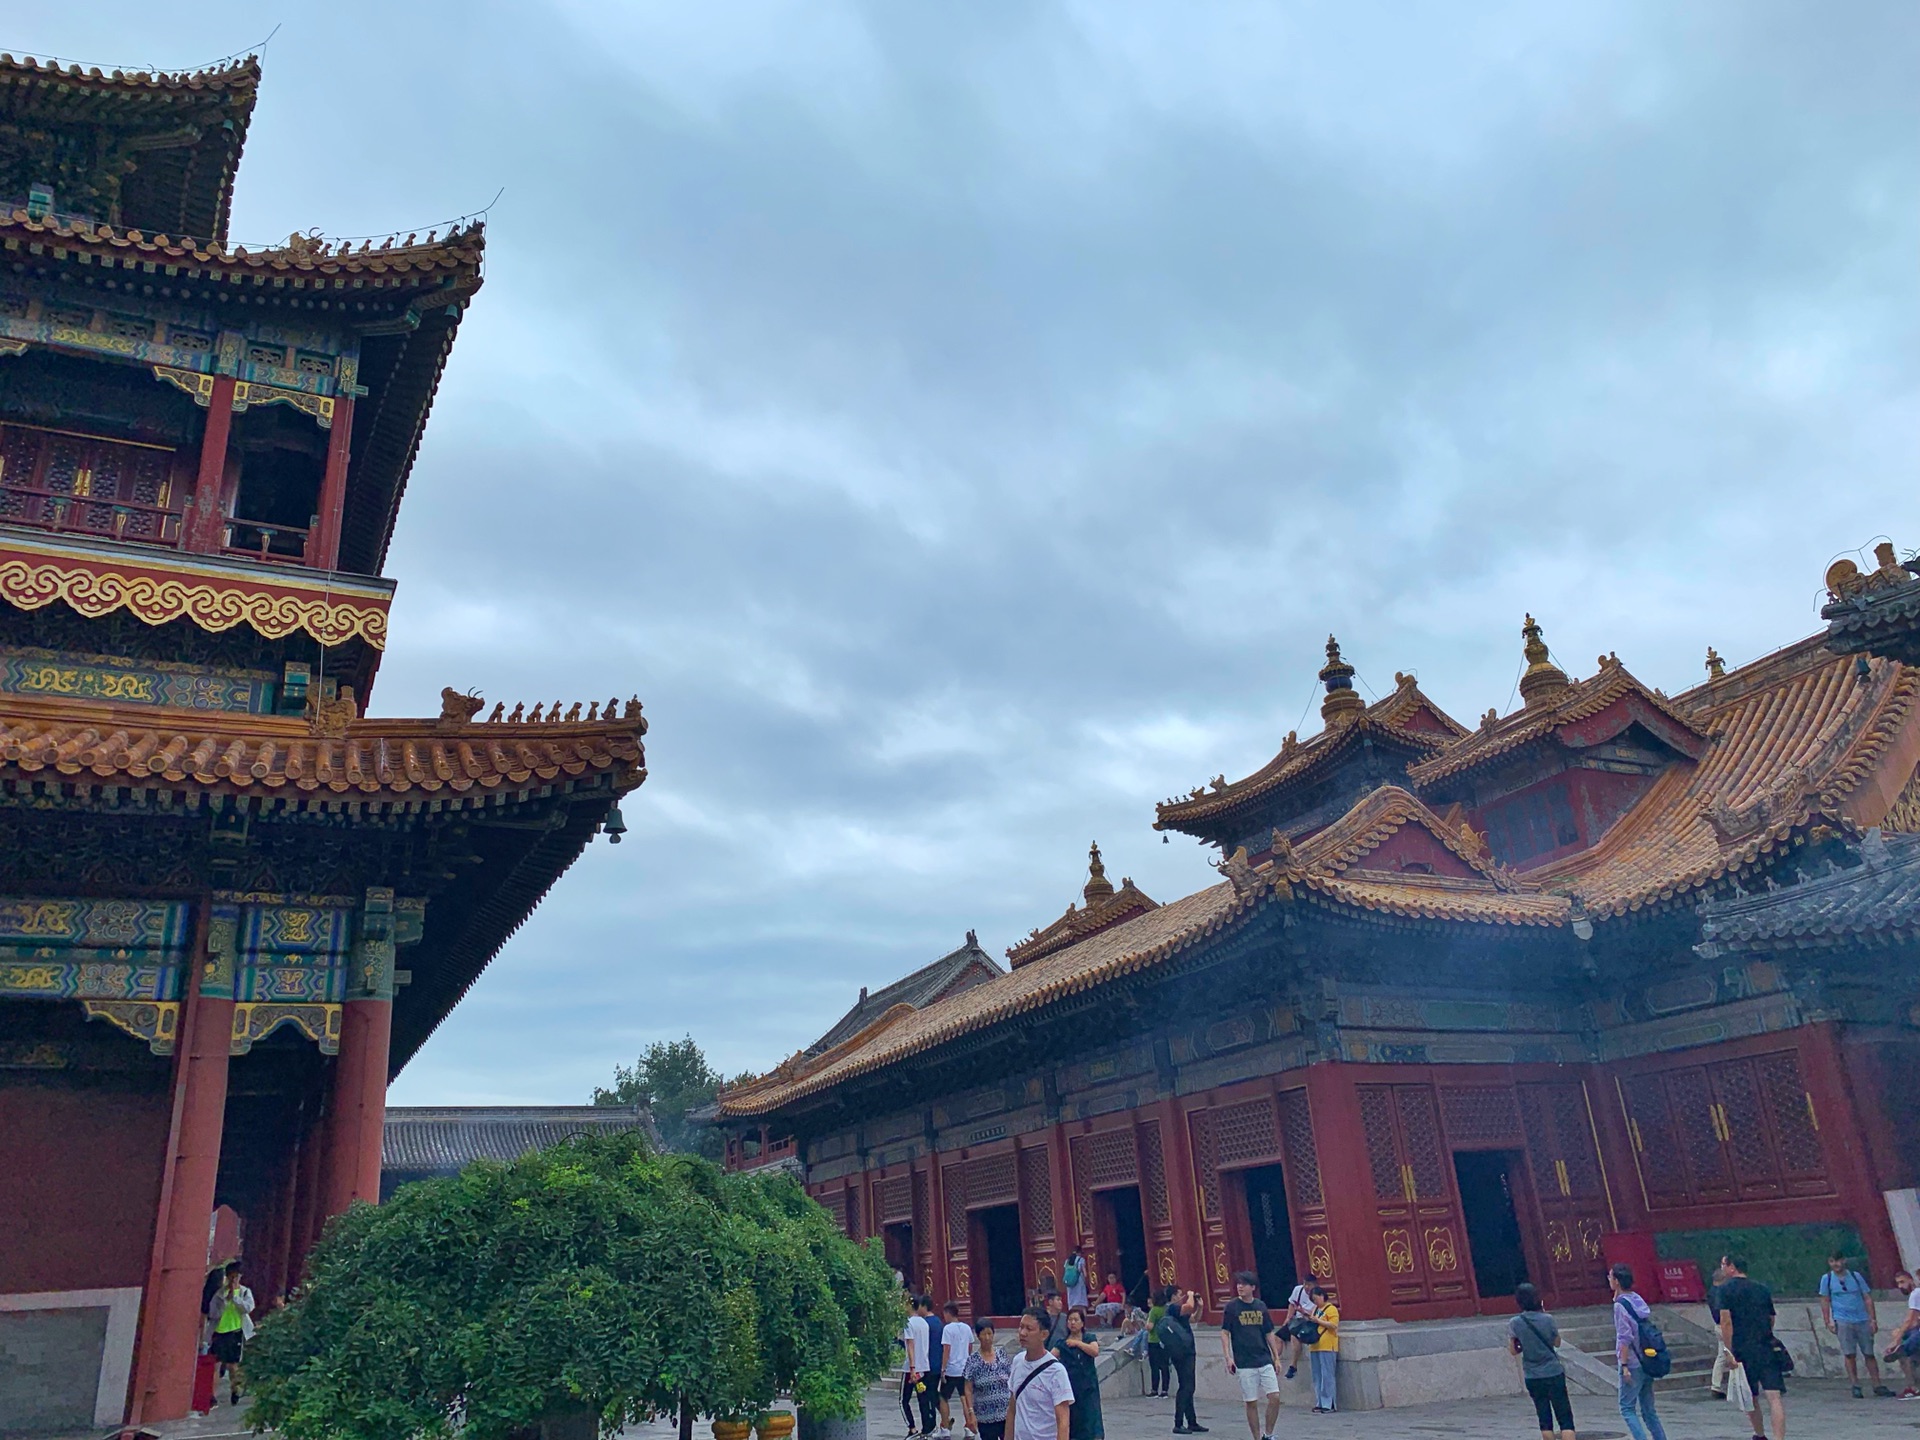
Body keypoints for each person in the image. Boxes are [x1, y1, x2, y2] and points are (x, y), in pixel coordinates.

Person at [1718, 1256, 1786, 1440]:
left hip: (1742, 1349)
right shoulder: (1762, 1289)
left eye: (1724, 1264)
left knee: (1750, 1396)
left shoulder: (1725, 1290)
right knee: (1774, 1397)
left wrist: (1728, 1350)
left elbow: (1726, 1322)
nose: (1722, 1268)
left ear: (1732, 1267)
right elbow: (1771, 1317)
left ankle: (1759, 1433)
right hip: (1765, 1345)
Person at [1820, 1251, 1892, 1398]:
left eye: (1839, 1261)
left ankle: (1877, 1384)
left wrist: (1872, 1319)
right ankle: (1855, 1385)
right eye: (1833, 1261)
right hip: (1842, 1319)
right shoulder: (1827, 1279)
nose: (1836, 1264)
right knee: (1849, 1353)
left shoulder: (1855, 1276)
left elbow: (1867, 1297)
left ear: (1844, 1261)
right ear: (1829, 1262)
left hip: (1862, 1319)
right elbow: (1825, 1300)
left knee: (1869, 1353)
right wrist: (1828, 1320)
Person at [1219, 1271, 1281, 1440]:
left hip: (1264, 1357)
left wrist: (1276, 1357)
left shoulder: (1260, 1306)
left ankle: (1269, 1433)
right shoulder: (1232, 1307)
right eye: (1238, 1284)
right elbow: (1225, 1332)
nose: (1240, 1287)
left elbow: (1268, 1332)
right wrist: (1228, 1357)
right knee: (1251, 1401)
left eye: (1244, 1284)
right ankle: (1256, 1437)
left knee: (1274, 1396)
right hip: (1244, 1361)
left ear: (1253, 1287)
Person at [1509, 1281, 1575, 1440]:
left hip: (1533, 1375)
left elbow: (1513, 1350)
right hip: (1553, 1372)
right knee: (1565, 1419)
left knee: (1544, 1419)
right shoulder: (1548, 1319)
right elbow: (1557, 1342)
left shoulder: (1515, 1323)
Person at [1610, 1263, 1668, 1440]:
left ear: (1617, 1281)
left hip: (1633, 1361)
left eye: (1611, 1277)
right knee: (1649, 1409)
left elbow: (1624, 1338)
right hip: (1647, 1358)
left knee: (1627, 1408)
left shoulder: (1620, 1306)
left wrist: (1624, 1365)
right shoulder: (1636, 1299)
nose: (1609, 1280)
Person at [1009, 1307, 1074, 1440]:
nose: (1022, 1333)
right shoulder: (1017, 1362)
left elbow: (1063, 1422)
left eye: (1029, 1329)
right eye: (1021, 1327)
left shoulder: (1056, 1371)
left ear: (1044, 1335)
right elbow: (1012, 1410)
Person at [205, 1261, 254, 1406]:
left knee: (233, 1365)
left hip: (235, 1332)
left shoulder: (245, 1292)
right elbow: (212, 1312)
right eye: (231, 1277)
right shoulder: (219, 1294)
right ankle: (211, 1396)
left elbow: (247, 1308)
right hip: (219, 1332)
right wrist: (225, 1301)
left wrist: (235, 1298)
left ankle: (235, 1390)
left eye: (236, 1277)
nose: (233, 1280)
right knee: (215, 1364)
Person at [1051, 1307, 1103, 1440]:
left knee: (1091, 1419)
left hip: (1088, 1388)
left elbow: (1094, 1351)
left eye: (1076, 1320)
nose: (1072, 1323)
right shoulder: (1062, 1343)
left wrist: (1078, 1343)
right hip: (1071, 1388)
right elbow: (1050, 1359)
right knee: (1074, 1421)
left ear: (1082, 1323)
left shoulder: (1089, 1338)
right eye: (1070, 1320)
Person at [1161, 1287, 1205, 1434]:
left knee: (1188, 1386)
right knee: (1186, 1387)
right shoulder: (1173, 1308)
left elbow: (1194, 1318)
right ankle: (1178, 1422)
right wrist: (1191, 1296)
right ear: (1174, 1296)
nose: (1183, 1296)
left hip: (1187, 1350)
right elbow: (1189, 1307)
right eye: (1180, 1294)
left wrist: (1201, 1307)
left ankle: (1191, 1421)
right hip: (1182, 1352)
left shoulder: (1178, 1311)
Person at [963, 1320, 1013, 1440]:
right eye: (984, 1334)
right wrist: (970, 1413)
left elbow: (1011, 1380)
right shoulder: (973, 1360)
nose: (987, 1338)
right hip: (985, 1416)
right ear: (978, 1336)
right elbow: (968, 1389)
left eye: (990, 1334)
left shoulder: (1001, 1355)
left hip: (1005, 1414)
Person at [941, 1302, 975, 1436]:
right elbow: (970, 1345)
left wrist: (943, 1368)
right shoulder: (966, 1328)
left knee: (943, 1397)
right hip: (964, 1367)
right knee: (964, 1398)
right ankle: (968, 1426)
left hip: (951, 1369)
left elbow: (946, 1349)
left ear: (948, 1313)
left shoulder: (948, 1329)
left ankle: (945, 1427)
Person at [1306, 1284, 1339, 1415]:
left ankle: (1329, 1402)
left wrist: (1318, 1321)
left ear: (1321, 1296)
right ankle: (1319, 1401)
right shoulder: (1315, 1309)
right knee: (1317, 1375)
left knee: (1327, 1374)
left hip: (1327, 1345)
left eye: (1316, 1299)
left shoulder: (1331, 1309)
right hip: (1315, 1345)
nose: (1315, 1302)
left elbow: (1333, 1325)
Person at [904, 1299, 934, 1438]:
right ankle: (926, 1428)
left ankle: (912, 1427)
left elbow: (910, 1345)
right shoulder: (924, 1323)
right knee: (923, 1398)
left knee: (904, 1400)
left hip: (913, 1368)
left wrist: (912, 1368)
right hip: (924, 1366)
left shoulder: (908, 1323)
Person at [1886, 1270, 1919, 1398]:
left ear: (1910, 1280)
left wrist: (1897, 1338)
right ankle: (1912, 1386)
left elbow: (1909, 1320)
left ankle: (1900, 1349)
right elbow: (1914, 1322)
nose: (1900, 1286)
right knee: (1898, 1335)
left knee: (1902, 1348)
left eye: (1902, 1282)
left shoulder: (1915, 1294)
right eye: (1898, 1283)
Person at [1706, 1259, 1734, 1399]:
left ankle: (1716, 1385)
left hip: (1718, 1325)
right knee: (1729, 1354)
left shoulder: (1711, 1292)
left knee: (1721, 1356)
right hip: (1724, 1325)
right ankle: (1731, 1384)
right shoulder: (1720, 1293)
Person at [1279, 1279, 1315, 1380]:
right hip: (1296, 1320)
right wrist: (1287, 1318)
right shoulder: (1298, 1290)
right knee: (1277, 1337)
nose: (1306, 1287)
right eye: (1305, 1284)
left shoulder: (1317, 1294)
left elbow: (1315, 1314)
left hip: (1307, 1321)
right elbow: (1291, 1304)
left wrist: (1303, 1311)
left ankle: (1293, 1366)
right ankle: (1274, 1362)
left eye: (1309, 1284)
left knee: (1294, 1336)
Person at [1145, 1288, 1171, 1398]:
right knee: (1165, 1366)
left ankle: (1154, 1389)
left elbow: (1150, 1326)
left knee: (1154, 1366)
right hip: (1165, 1340)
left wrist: (1145, 1325)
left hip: (1154, 1340)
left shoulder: (1154, 1310)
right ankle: (1165, 1390)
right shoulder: (1167, 1309)